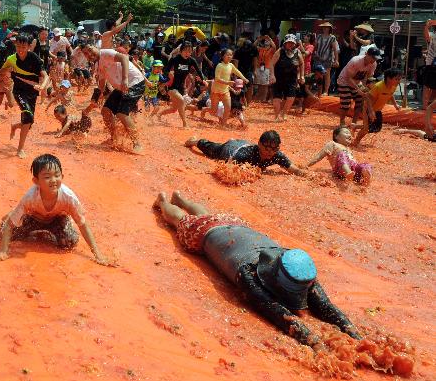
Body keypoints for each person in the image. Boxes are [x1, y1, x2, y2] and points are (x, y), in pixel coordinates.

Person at [154, 191, 361, 347]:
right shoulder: (248, 274)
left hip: (235, 228)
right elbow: (278, 314)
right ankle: (163, 202)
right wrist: (316, 344)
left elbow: (327, 307)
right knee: (181, 220)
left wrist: (355, 336)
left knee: (209, 216)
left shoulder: (295, 264)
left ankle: (181, 199)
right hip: (207, 233)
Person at [0, 154, 110, 265]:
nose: (53, 180)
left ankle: (60, 225)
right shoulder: (29, 197)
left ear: (62, 176)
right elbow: (9, 226)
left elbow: (83, 224)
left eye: (57, 175)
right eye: (47, 177)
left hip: (56, 220)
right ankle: (14, 213)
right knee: (4, 237)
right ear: (36, 181)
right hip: (33, 218)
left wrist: (98, 255)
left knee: (69, 243)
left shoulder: (69, 197)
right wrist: (2, 251)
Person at [81, 43, 147, 153]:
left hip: (134, 83)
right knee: (105, 111)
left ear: (95, 47)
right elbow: (101, 85)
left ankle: (137, 143)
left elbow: (124, 58)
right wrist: (94, 101)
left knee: (121, 113)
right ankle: (114, 138)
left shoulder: (105, 53)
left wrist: (125, 79)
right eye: (86, 53)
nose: (89, 54)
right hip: (121, 87)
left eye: (90, 49)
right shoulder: (97, 66)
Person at [185, 130, 309, 175]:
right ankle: (194, 141)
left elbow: (293, 169)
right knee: (210, 148)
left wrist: (307, 175)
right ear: (259, 144)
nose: (270, 152)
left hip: (243, 143)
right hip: (230, 150)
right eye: (267, 148)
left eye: (274, 149)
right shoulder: (243, 156)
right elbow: (228, 169)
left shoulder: (276, 155)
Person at [2, 33, 47, 159]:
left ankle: (15, 126)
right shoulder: (11, 59)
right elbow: (1, 72)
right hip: (19, 91)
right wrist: (5, 76)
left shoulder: (34, 58)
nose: (21, 50)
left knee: (29, 122)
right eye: (18, 46)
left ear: (28, 46)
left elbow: (46, 76)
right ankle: (20, 149)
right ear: (15, 46)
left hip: (32, 92)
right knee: (27, 115)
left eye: (24, 47)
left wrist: (42, 86)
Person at [306, 126, 372, 185]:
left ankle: (365, 180)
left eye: (350, 134)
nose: (349, 135)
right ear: (336, 136)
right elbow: (319, 156)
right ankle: (348, 172)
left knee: (366, 165)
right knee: (342, 154)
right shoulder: (333, 144)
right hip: (340, 171)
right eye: (346, 133)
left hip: (353, 172)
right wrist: (307, 165)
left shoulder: (348, 149)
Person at [352, 68, 402, 146]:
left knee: (376, 128)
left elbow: (391, 94)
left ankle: (355, 126)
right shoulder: (378, 87)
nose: (399, 82)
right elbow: (368, 98)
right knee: (366, 129)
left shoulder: (393, 86)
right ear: (389, 78)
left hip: (377, 110)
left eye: (399, 79)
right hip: (368, 109)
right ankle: (356, 142)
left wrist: (395, 105)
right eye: (397, 79)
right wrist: (371, 111)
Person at [160, 42, 204, 128]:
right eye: (185, 51)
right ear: (180, 51)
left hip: (181, 88)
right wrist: (169, 74)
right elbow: (165, 70)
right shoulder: (175, 59)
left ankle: (159, 115)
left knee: (174, 109)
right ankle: (185, 123)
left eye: (190, 51)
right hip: (171, 86)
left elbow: (199, 71)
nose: (187, 53)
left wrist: (202, 79)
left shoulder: (191, 60)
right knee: (182, 101)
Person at [336, 46, 381, 127]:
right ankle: (342, 122)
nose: (373, 60)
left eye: (375, 58)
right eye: (372, 57)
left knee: (360, 102)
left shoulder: (373, 64)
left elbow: (368, 76)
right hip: (344, 81)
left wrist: (365, 88)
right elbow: (349, 78)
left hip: (357, 82)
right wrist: (358, 89)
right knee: (346, 103)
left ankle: (354, 123)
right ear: (366, 54)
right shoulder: (355, 61)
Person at [269, 34, 305, 121]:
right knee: (277, 98)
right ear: (285, 43)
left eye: (292, 43)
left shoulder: (297, 52)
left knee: (291, 97)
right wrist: (272, 75)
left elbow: (301, 63)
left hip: (291, 78)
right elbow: (271, 64)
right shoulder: (280, 51)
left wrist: (302, 76)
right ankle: (277, 116)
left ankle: (284, 113)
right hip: (278, 77)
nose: (290, 44)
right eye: (288, 42)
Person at [210, 48, 249, 126]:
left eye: (231, 55)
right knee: (213, 111)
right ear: (222, 56)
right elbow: (217, 79)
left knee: (228, 109)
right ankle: (205, 109)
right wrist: (227, 82)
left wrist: (244, 78)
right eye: (227, 54)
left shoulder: (231, 65)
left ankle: (223, 125)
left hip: (225, 91)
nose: (229, 56)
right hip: (216, 91)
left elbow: (237, 72)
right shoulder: (219, 65)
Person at [313, 22, 339, 95]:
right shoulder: (318, 36)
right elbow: (315, 47)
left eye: (327, 27)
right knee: (318, 75)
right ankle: (319, 91)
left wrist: (336, 60)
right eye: (324, 27)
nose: (325, 28)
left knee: (327, 75)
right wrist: (314, 54)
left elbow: (335, 49)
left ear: (329, 29)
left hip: (328, 58)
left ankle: (326, 91)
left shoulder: (332, 37)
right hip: (318, 58)